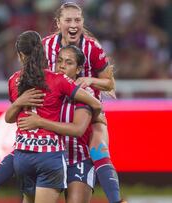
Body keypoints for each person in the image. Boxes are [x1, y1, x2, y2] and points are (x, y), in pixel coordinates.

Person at [0, 30, 101, 203]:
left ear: (20, 55)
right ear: (42, 51)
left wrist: (19, 102)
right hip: (50, 155)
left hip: (23, 156)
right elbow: (95, 103)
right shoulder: (58, 79)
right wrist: (97, 118)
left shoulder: (14, 80)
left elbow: (9, 118)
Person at [42, 2, 124, 203]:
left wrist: (91, 80)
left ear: (82, 22)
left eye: (77, 20)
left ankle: (117, 200)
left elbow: (109, 83)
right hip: (56, 113)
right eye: (68, 20)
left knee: (98, 148)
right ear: (58, 22)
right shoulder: (45, 46)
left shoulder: (92, 47)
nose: (73, 24)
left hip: (87, 111)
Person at [18, 45, 96, 203]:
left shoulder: (85, 93)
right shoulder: (46, 87)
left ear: (79, 69)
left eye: (69, 63)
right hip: (48, 158)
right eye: (59, 61)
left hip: (76, 160)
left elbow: (78, 130)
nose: (62, 66)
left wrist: (40, 122)